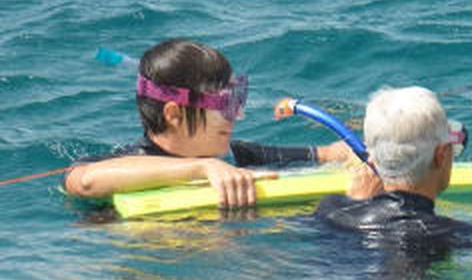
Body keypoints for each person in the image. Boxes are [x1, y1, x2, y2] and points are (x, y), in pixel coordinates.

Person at [65, 39, 350, 207]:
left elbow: (327, 154)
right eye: (226, 104)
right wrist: (202, 168)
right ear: (174, 114)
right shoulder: (129, 161)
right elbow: (83, 181)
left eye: (238, 99)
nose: (238, 115)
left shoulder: (234, 156)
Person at [314, 86, 472, 271]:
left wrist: (356, 203)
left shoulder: (331, 209)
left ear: (371, 158)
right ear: (441, 155)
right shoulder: (457, 234)